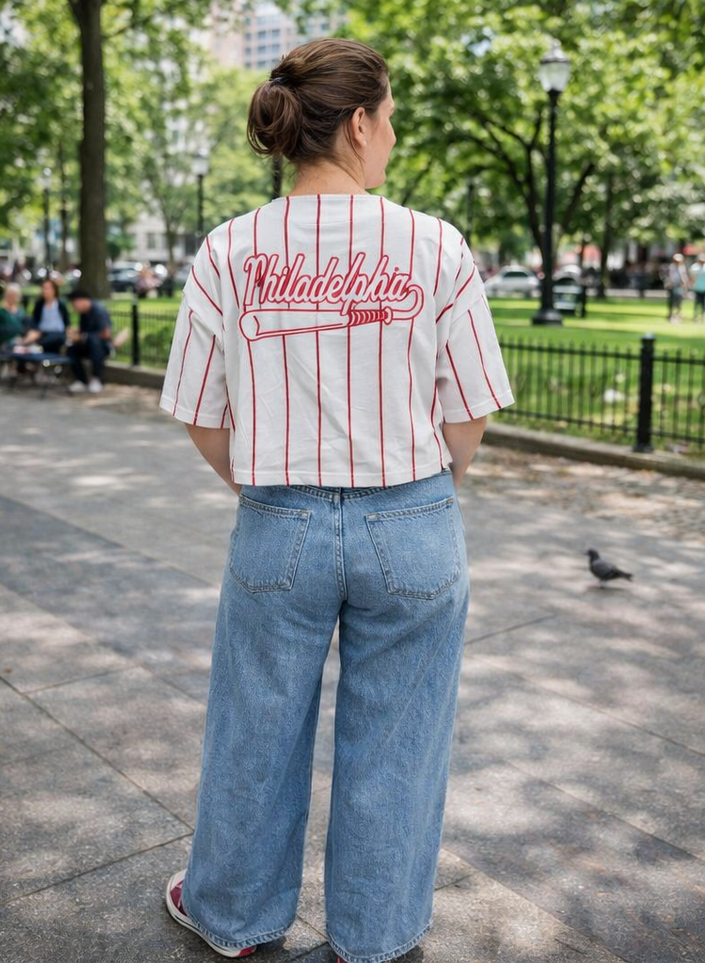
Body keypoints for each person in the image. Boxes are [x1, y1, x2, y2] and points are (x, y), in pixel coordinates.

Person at [157, 39, 513, 963]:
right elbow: (467, 410)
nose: (390, 136)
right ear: (358, 124)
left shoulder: (228, 250)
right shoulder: (433, 245)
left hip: (280, 519)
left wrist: (272, 491)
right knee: (399, 739)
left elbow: (200, 413)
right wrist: (422, 496)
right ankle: (375, 932)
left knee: (253, 727)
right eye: (387, 118)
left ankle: (232, 914)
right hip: (413, 515)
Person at [65, 287, 112, 393]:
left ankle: (96, 378)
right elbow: (84, 331)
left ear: (81, 301)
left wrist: (83, 337)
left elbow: (106, 334)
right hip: (87, 345)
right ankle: (81, 380)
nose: (74, 307)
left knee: (94, 343)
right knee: (71, 349)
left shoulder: (98, 311)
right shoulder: (84, 314)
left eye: (74, 304)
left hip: (101, 346)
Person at [22, 275, 69, 353]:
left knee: (57, 338)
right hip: (42, 333)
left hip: (57, 334)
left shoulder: (61, 305)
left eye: (48, 288)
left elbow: (66, 322)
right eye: (43, 288)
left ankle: (31, 344)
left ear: (54, 290)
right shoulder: (39, 305)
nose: (45, 291)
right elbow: (35, 320)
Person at [0, 283, 27, 348]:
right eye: (11, 295)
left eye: (15, 295)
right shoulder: (0, 312)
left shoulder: (21, 311)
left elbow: (24, 328)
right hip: (4, 343)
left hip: (20, 342)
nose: (13, 298)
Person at [663, 253, 687, 323]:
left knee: (679, 301)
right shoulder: (671, 267)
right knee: (671, 301)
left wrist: (685, 284)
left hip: (680, 286)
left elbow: (684, 277)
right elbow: (668, 277)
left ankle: (678, 315)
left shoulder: (682, 267)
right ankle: (671, 315)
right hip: (672, 286)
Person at [690, 253, 705, 322]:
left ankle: (702, 315)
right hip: (697, 288)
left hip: (704, 288)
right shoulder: (694, 267)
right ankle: (696, 315)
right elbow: (692, 276)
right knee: (697, 302)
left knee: (703, 303)